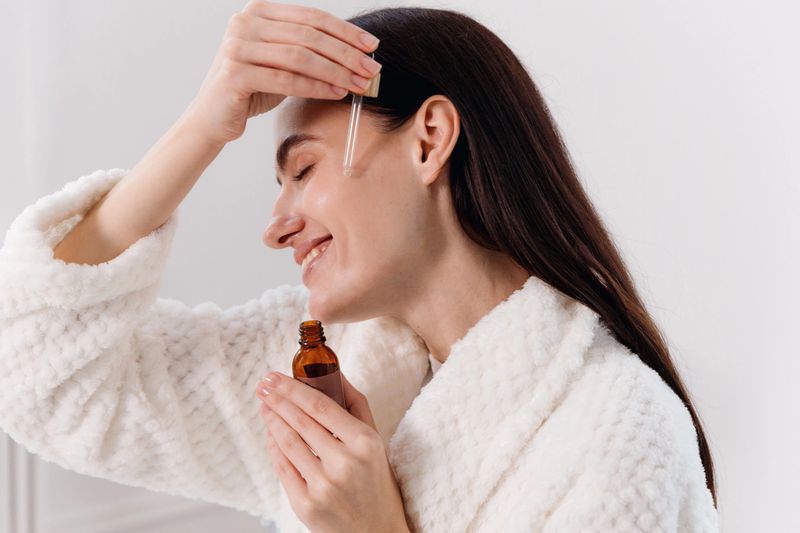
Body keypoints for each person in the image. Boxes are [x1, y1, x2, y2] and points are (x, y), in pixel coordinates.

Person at [0, 1, 720, 532]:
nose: (276, 227)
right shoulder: (326, 376)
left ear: (429, 139)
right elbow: (40, 374)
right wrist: (204, 122)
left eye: (303, 170)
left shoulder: (620, 439)